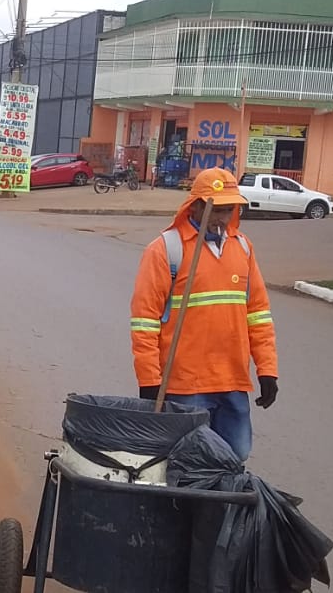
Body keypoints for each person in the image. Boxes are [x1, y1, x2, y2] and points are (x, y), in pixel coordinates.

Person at [128, 168, 279, 461]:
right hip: (185, 386)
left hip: (233, 383)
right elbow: (144, 322)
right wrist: (149, 379)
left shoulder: (243, 249)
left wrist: (267, 370)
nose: (223, 218)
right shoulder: (165, 250)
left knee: (234, 460)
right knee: (186, 465)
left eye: (230, 209)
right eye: (217, 209)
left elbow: (258, 314)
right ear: (195, 205)